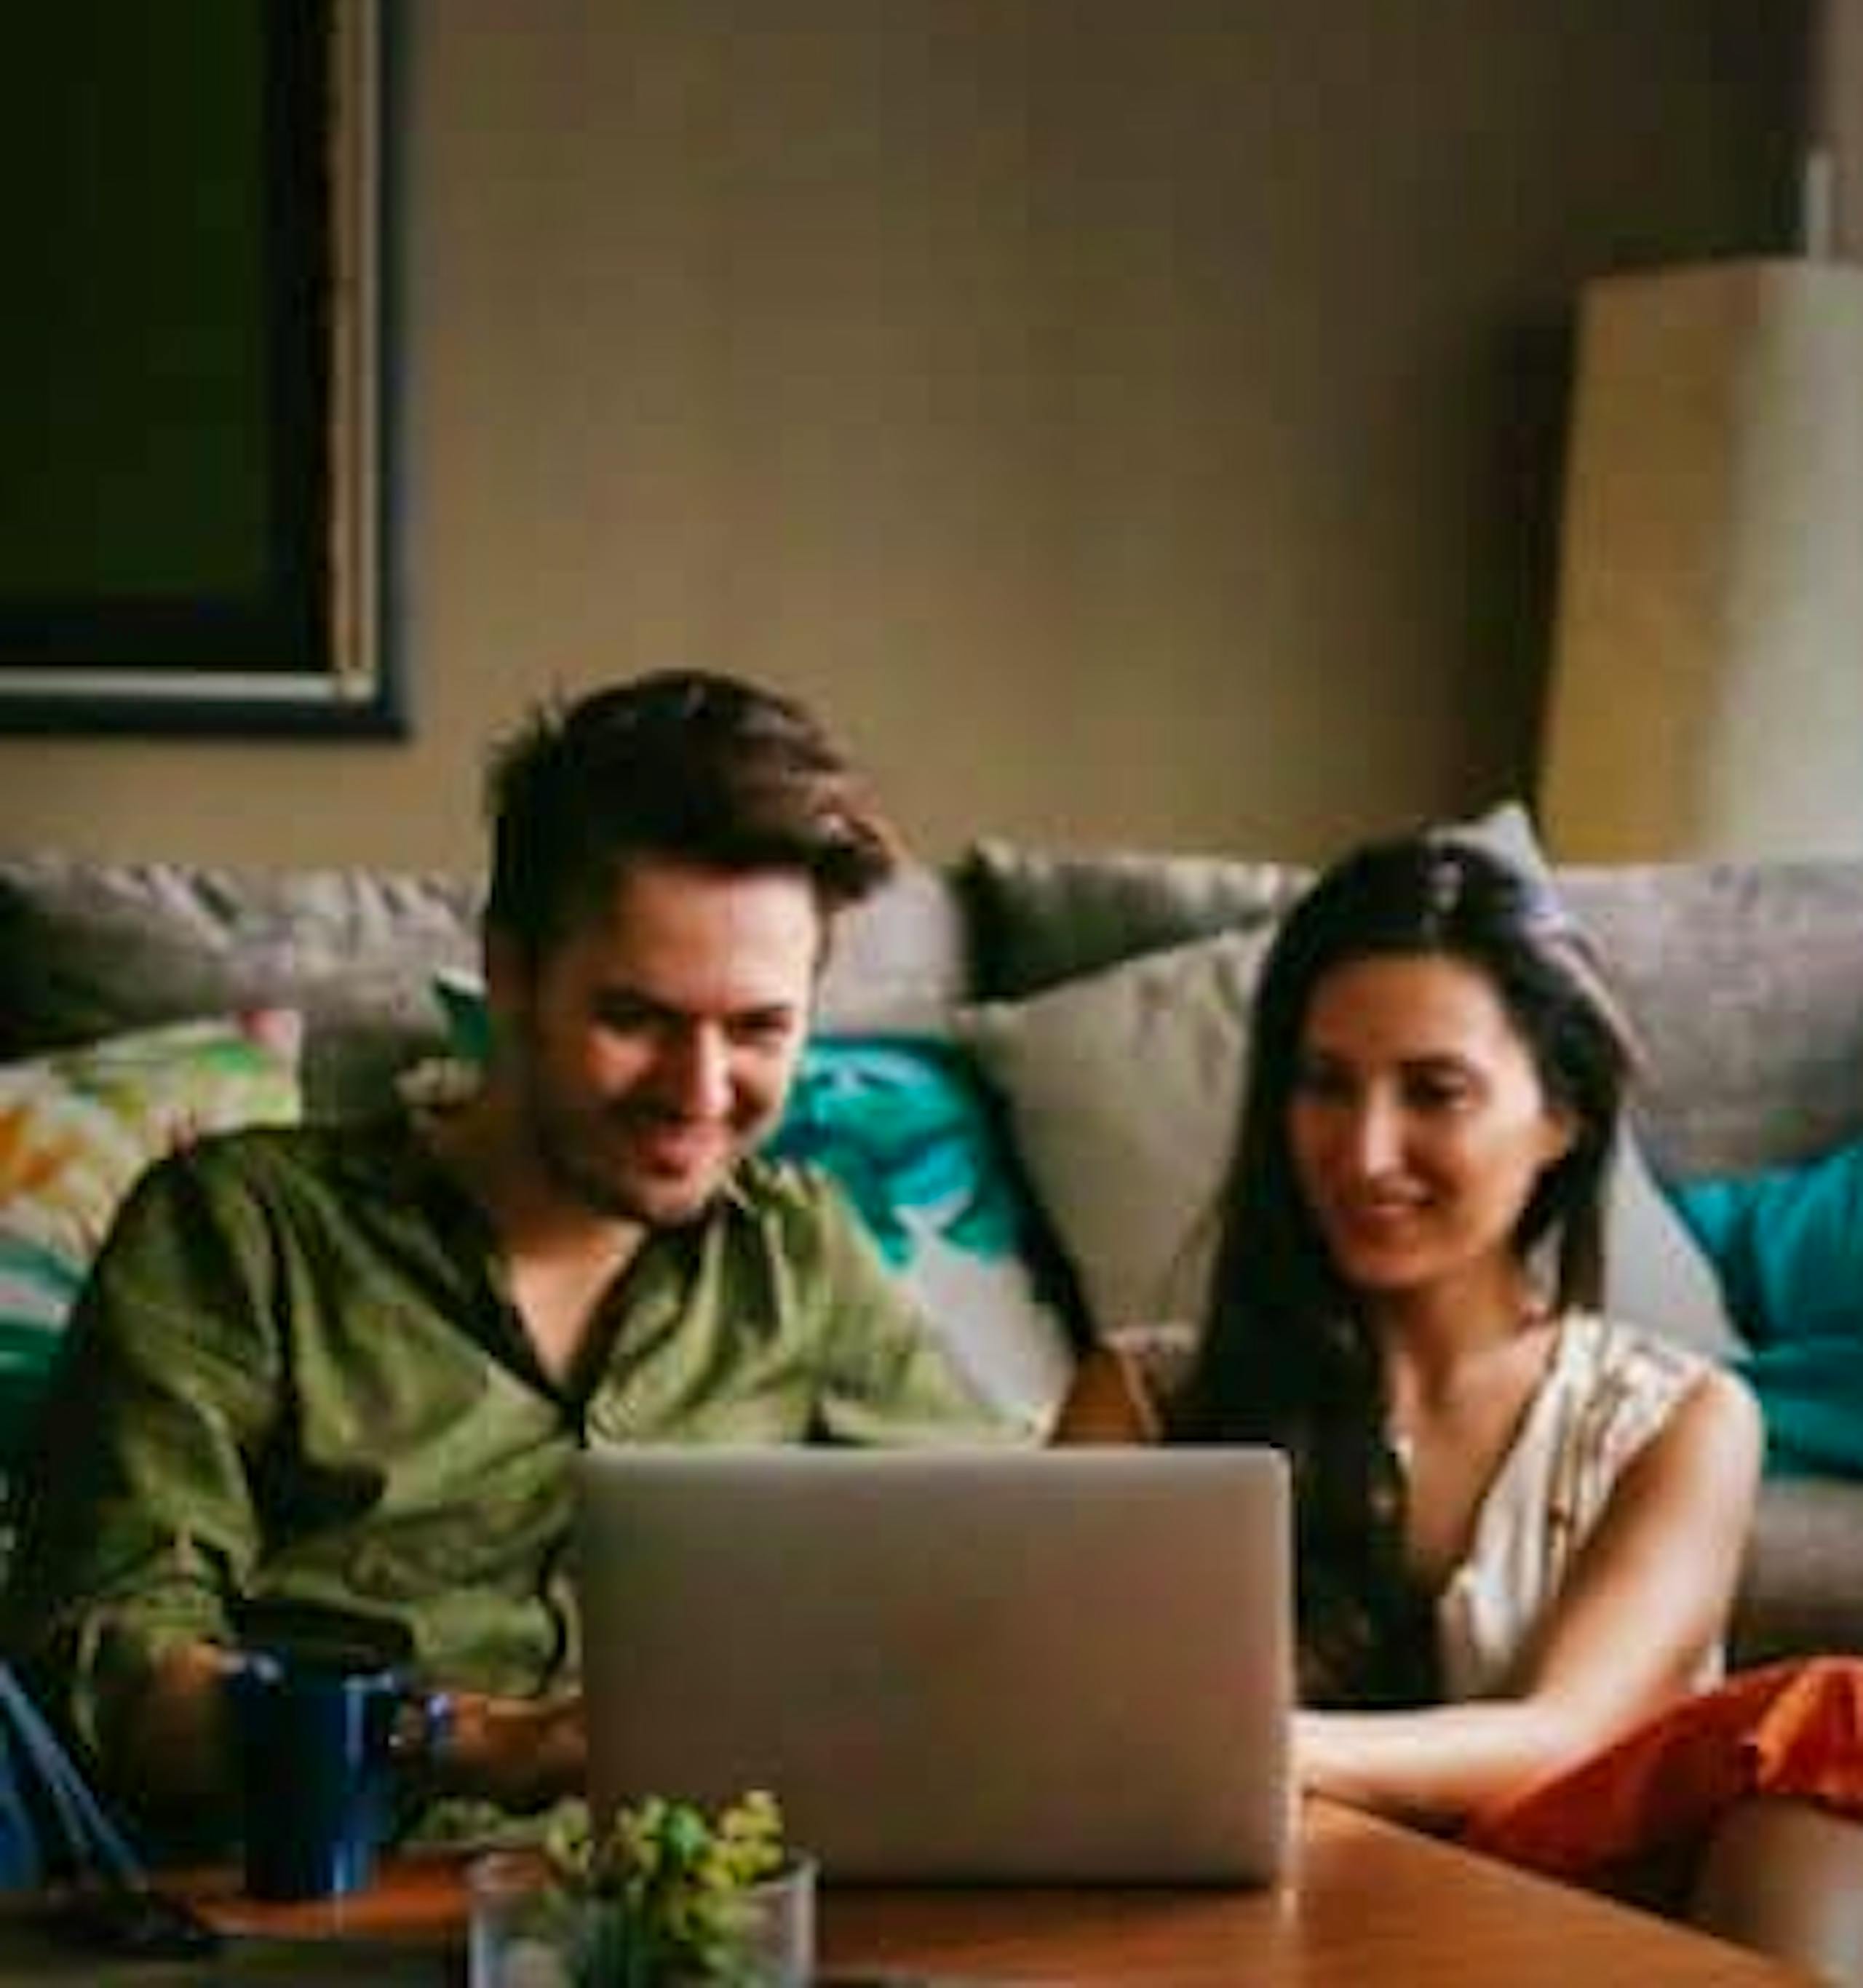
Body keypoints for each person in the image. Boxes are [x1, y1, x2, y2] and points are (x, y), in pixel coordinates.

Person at [0, 669, 1014, 1848]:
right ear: (512, 972)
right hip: (311, 1911)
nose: (699, 1092)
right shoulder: (242, 1229)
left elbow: (1012, 1563)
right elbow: (106, 1671)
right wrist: (479, 1740)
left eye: (757, 1028)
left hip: (694, 1918)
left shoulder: (797, 1255)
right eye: (636, 1018)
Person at [1096, 832, 1762, 1834]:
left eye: (1434, 1091)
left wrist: (1262, 1748)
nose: (1366, 1154)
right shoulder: (1143, 1395)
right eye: (1325, 1083)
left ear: (1562, 1114)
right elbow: (1051, 1719)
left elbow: (1568, 1734)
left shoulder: (1678, 1422)